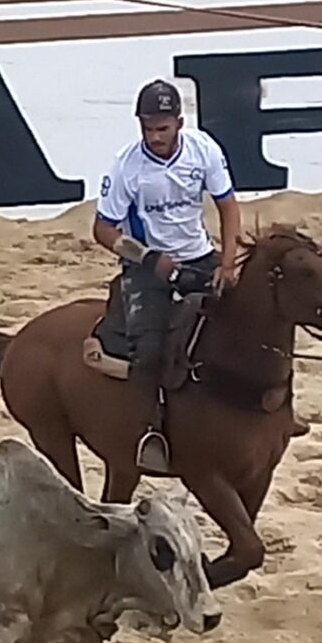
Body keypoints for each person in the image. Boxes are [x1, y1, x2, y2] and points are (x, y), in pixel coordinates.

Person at [90, 78, 244, 474]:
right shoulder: (127, 167)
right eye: (147, 128)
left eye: (162, 127)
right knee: (150, 350)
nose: (155, 136)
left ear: (179, 122)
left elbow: (227, 206)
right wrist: (147, 258)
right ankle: (150, 433)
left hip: (199, 255)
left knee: (248, 320)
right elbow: (103, 230)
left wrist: (227, 263)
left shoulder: (203, 149)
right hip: (149, 267)